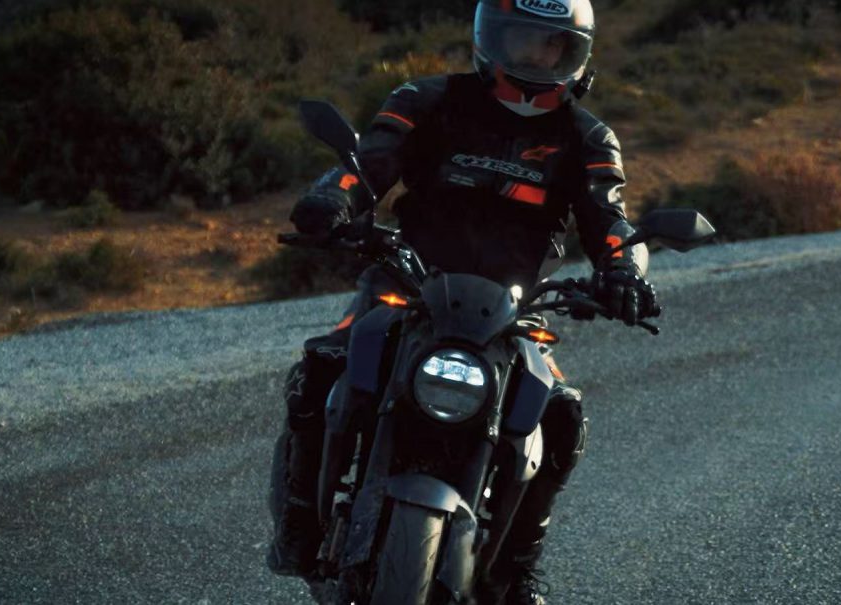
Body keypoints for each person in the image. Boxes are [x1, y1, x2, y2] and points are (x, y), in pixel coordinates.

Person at [267, 1, 659, 603]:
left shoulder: (587, 137)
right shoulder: (425, 99)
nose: (535, 56)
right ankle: (300, 522)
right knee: (322, 369)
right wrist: (332, 199)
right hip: (407, 283)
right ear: (489, 38)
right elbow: (368, 163)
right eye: (522, 39)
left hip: (514, 310)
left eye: (551, 44)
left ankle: (514, 569)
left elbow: (610, 219)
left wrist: (625, 272)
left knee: (561, 417)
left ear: (575, 52)